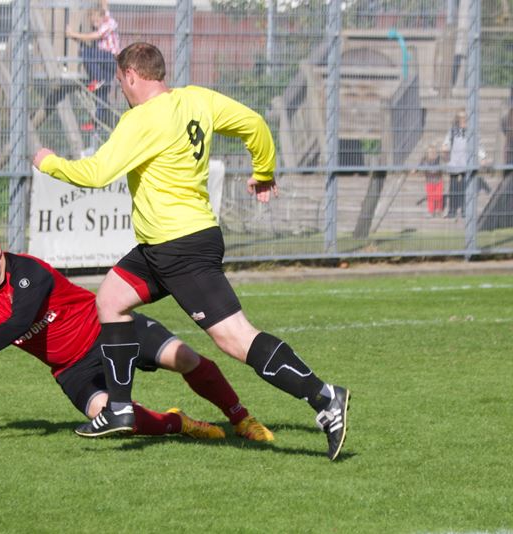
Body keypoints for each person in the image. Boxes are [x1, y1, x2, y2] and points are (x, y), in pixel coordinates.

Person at [33, 42, 351, 461]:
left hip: (180, 247)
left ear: (131, 75)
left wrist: (49, 162)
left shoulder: (141, 119)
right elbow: (254, 123)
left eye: (120, 80)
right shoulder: (197, 99)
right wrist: (263, 171)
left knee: (236, 338)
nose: (121, 88)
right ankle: (120, 408)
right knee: (110, 299)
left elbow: (96, 173)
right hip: (163, 246)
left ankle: (325, 397)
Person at [0, 222, 275, 442]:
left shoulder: (30, 272)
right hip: (70, 369)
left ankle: (241, 418)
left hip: (108, 332)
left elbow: (20, 320)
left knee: (183, 357)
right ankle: (179, 423)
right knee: (109, 415)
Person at [65, 0, 120, 131]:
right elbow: (104, 4)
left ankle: (98, 79)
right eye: (93, 22)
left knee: (86, 52)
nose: (95, 24)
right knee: (101, 93)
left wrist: (73, 34)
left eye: (96, 21)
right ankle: (97, 122)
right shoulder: (104, 17)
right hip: (104, 62)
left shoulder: (108, 23)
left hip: (110, 58)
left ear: (102, 17)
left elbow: (95, 36)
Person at [419, 143, 444, 217]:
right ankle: (431, 211)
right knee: (430, 197)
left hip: (438, 180)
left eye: (434, 151)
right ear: (427, 153)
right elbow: (418, 166)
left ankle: (439, 210)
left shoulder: (439, 158)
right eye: (430, 152)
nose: (432, 153)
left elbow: (444, 164)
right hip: (429, 181)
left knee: (439, 196)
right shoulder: (424, 160)